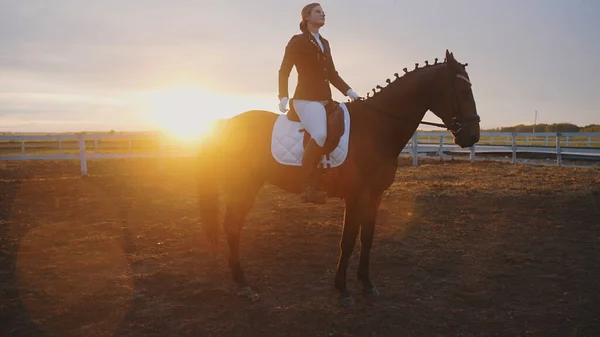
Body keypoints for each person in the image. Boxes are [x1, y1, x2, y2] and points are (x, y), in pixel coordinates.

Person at [278, 2, 360, 204]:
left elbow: (331, 74)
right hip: (305, 99)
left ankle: (329, 174)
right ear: (307, 17)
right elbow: (284, 70)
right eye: (318, 12)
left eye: (323, 12)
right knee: (320, 133)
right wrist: (283, 95)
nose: (323, 14)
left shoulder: (325, 42)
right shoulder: (297, 41)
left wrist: (350, 92)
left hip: (325, 99)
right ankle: (307, 186)